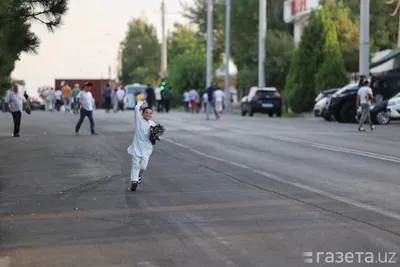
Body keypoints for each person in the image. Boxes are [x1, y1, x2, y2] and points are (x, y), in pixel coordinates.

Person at [127, 100, 156, 191]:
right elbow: (136, 108)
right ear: (142, 114)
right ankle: (134, 181)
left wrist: (156, 135)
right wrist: (140, 103)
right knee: (135, 165)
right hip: (136, 147)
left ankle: (139, 175)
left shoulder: (153, 124)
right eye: (146, 113)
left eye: (150, 113)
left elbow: (155, 136)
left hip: (146, 149)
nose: (148, 114)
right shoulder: (139, 120)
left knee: (143, 167)